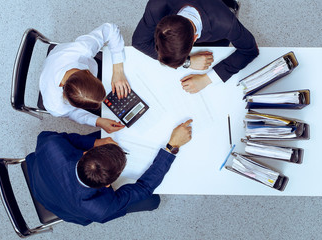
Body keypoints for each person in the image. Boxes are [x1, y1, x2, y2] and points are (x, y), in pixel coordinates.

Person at [26, 119, 193, 225]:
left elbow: (67, 139)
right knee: (152, 200)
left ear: (85, 153)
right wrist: (171, 148)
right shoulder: (102, 208)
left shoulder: (51, 146)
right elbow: (143, 188)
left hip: (41, 180)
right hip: (66, 208)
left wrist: (97, 141)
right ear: (108, 185)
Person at [132, 0, 259, 94]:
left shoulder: (226, 24)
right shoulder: (157, 6)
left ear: (194, 38)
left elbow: (250, 50)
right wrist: (188, 61)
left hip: (217, 21)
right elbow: (139, 42)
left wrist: (207, 79)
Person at [40, 23, 131, 133]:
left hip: (59, 56)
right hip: (51, 67)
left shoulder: (82, 49)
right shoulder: (55, 106)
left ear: (88, 71)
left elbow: (111, 29)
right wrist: (97, 121)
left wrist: (118, 71)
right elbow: (71, 113)